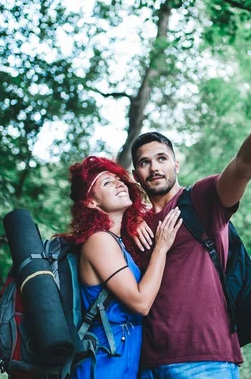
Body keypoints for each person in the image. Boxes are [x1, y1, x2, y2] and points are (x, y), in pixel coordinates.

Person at [130, 56, 251, 378]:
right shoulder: (133, 224)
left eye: (162, 158)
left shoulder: (201, 199)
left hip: (206, 361)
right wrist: (132, 219)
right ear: (136, 173)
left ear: (176, 166)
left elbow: (244, 163)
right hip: (145, 364)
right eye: (145, 162)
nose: (154, 167)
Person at [67, 156, 183, 378]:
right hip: (102, 365)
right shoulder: (99, 241)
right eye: (107, 183)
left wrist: (137, 218)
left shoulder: (117, 241)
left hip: (123, 363)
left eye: (118, 179)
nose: (119, 183)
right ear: (91, 202)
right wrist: (161, 247)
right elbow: (140, 304)